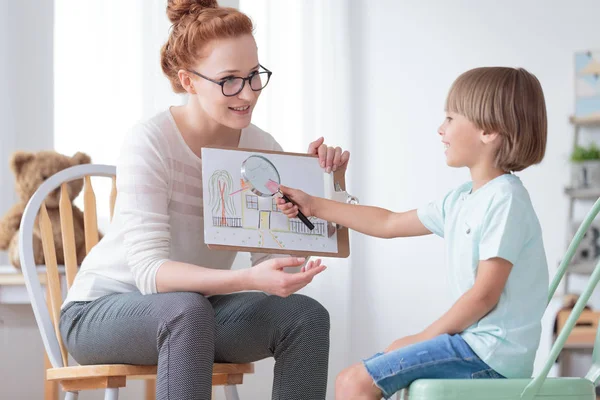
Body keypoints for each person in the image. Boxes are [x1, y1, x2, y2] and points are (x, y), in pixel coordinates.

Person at [59, 1, 350, 399]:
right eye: (229, 79)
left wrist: (321, 190)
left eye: (253, 76)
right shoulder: (150, 141)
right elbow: (149, 272)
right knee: (187, 310)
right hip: (102, 311)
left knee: (305, 316)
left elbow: (269, 264)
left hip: (194, 311)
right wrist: (246, 280)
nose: (247, 93)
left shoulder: (261, 148)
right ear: (188, 80)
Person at [277, 67, 549, 400]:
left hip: (492, 356)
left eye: (450, 118)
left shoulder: (506, 199)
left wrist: (423, 337)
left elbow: (484, 296)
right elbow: (388, 223)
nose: (441, 129)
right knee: (361, 374)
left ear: (489, 130)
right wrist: (314, 205)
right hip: (474, 347)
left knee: (353, 383)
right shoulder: (463, 199)